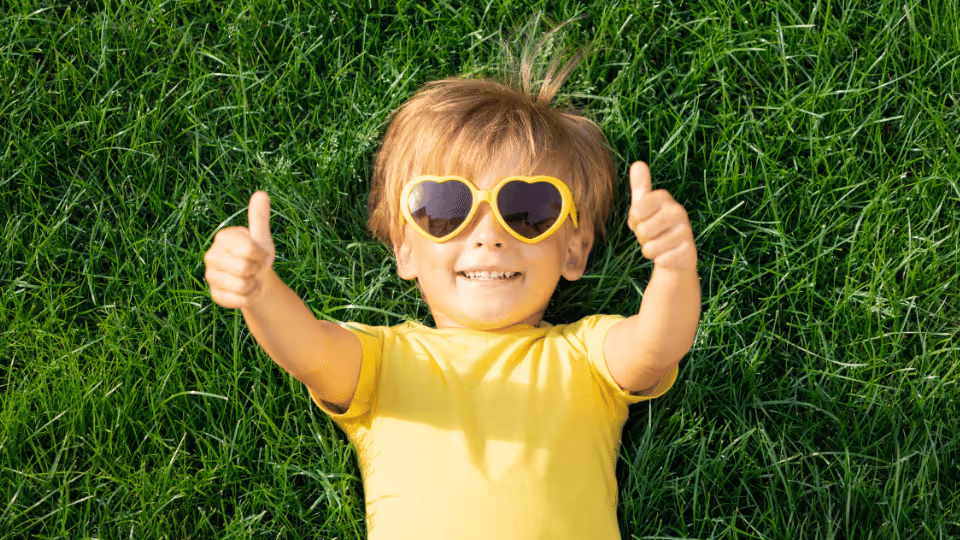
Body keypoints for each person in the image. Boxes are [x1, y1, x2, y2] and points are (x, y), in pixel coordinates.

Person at [203, 17, 701, 540]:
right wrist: (260, 293)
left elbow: (656, 345)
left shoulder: (584, 356)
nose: (487, 237)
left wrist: (673, 266)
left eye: (527, 209)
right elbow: (307, 349)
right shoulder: (384, 362)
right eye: (444, 207)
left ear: (575, 250)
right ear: (404, 249)